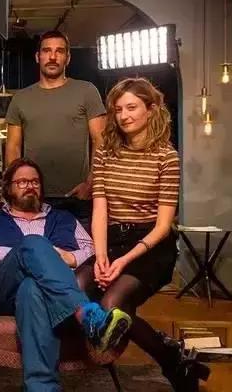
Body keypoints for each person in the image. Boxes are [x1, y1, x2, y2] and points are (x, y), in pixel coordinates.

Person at [75, 78, 209, 392]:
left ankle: (171, 361)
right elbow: (100, 209)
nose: (124, 116)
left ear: (151, 109)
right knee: (77, 286)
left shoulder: (167, 157)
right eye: (118, 109)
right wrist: (102, 255)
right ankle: (175, 356)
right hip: (112, 239)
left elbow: (163, 226)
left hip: (151, 246)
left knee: (113, 302)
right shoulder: (105, 152)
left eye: (132, 107)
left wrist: (122, 262)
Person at [0, 158, 131, 392]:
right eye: (22, 182)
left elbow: (91, 250)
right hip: (5, 290)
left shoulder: (64, 218)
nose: (30, 186)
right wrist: (23, 254)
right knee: (33, 244)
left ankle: (41, 387)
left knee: (32, 288)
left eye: (35, 182)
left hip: (51, 297)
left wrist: (70, 258)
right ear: (8, 188)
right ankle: (87, 315)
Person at [4, 30, 106, 225]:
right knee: (34, 246)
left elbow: (101, 141)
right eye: (47, 51)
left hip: (78, 198)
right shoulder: (21, 98)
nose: (52, 57)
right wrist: (17, 188)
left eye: (59, 51)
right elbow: (13, 148)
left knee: (81, 246)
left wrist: (91, 183)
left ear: (68, 58)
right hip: (34, 198)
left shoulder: (86, 91)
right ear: (38, 57)